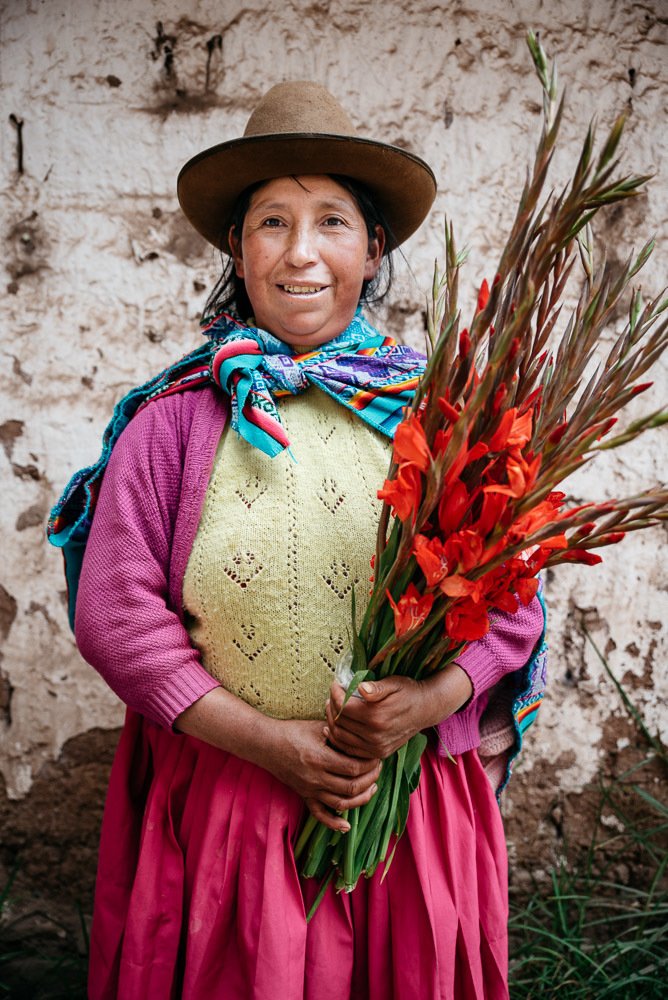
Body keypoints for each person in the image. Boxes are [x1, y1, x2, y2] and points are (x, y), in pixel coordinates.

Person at [53, 81, 546, 999]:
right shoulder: (174, 424)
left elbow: (508, 595)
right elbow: (118, 614)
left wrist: (431, 699)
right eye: (271, 223)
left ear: (374, 249)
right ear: (237, 251)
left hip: (406, 798)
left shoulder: (440, 419)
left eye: (331, 221)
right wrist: (270, 743)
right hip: (233, 797)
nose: (300, 251)